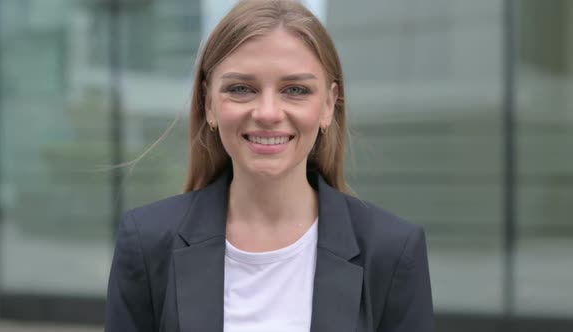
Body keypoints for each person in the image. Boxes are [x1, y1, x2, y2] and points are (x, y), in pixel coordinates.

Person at [105, 0, 434, 331]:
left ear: (329, 105)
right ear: (209, 104)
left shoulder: (392, 251)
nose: (267, 113)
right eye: (241, 89)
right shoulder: (147, 243)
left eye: (295, 90)